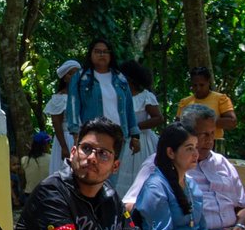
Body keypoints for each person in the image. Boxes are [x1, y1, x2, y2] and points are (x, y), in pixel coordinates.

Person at [13, 117, 191, 230]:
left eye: (103, 154)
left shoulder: (109, 195)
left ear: (115, 166)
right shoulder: (51, 194)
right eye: (86, 148)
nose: (92, 158)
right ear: (74, 152)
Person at [132, 123, 215, 230]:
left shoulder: (192, 186)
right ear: (171, 152)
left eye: (196, 147)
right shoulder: (155, 188)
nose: (196, 154)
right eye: (189, 148)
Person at [66, 38, 140, 167]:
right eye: (98, 51)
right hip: (92, 134)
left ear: (111, 55)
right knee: (92, 170)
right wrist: (76, 133)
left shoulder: (120, 78)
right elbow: (73, 105)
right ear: (91, 54)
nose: (102, 55)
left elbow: (129, 107)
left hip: (118, 134)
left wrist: (135, 135)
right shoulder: (80, 77)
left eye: (105, 52)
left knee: (110, 172)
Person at [115, 59, 163, 194]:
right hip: (123, 140)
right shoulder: (119, 96)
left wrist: (134, 126)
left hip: (143, 142)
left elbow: (158, 118)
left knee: (143, 177)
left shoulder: (145, 96)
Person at [176, 66, 236, 143]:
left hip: (214, 143)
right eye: (195, 85)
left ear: (208, 82)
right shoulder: (185, 102)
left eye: (201, 85)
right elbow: (178, 126)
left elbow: (232, 122)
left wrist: (203, 123)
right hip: (191, 144)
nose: (198, 89)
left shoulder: (220, 99)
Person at [44, 60, 80, 171]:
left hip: (81, 138)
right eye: (71, 73)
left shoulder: (83, 96)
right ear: (65, 78)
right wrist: (64, 147)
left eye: (77, 73)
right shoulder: (59, 98)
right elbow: (56, 123)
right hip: (66, 138)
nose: (74, 77)